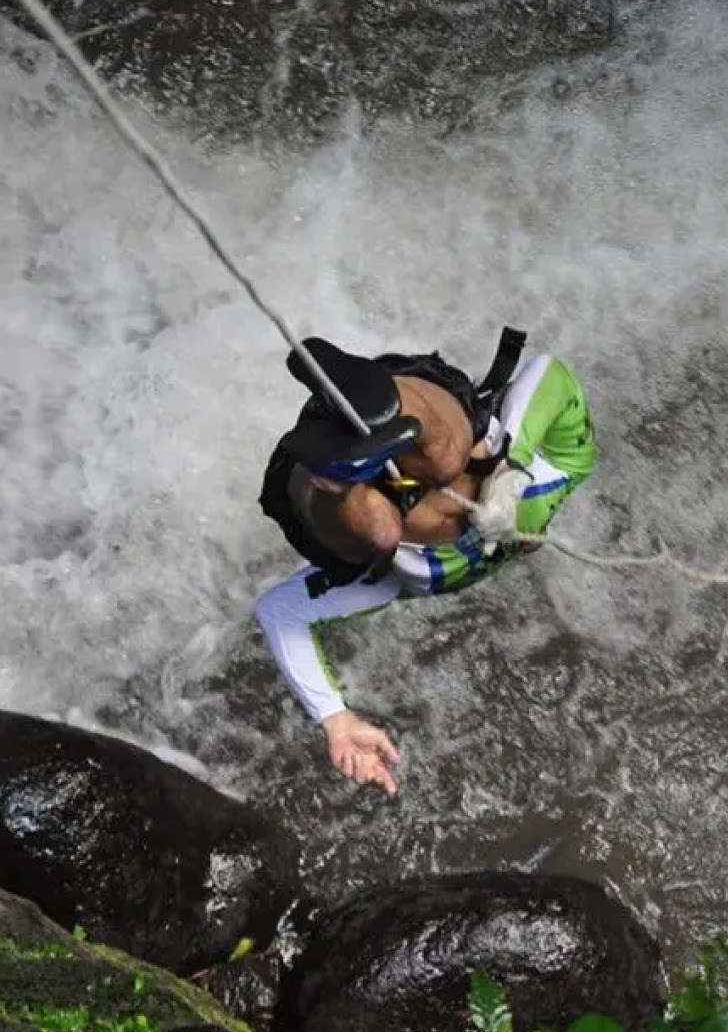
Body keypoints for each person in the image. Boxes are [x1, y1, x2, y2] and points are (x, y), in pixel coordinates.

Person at [254, 327, 597, 795]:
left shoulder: (399, 580)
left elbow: (280, 611)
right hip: (424, 410)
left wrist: (335, 719)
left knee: (381, 534)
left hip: (342, 481)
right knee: (451, 461)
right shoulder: (561, 474)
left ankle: (334, 478)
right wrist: (508, 467)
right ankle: (383, 402)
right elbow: (552, 373)